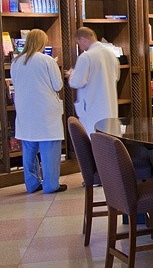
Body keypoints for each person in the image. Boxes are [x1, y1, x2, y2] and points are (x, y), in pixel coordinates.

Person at [10, 29, 66, 194]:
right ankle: (51, 185)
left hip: (24, 111)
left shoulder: (16, 62)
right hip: (45, 111)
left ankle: (32, 184)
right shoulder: (47, 60)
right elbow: (58, 85)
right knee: (49, 149)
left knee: (29, 149)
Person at [66, 27, 119, 134]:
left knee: (93, 136)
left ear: (82, 39)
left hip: (92, 107)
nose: (80, 47)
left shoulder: (86, 57)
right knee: (108, 138)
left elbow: (77, 82)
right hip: (109, 106)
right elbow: (116, 77)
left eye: (79, 43)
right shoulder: (111, 54)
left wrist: (71, 75)